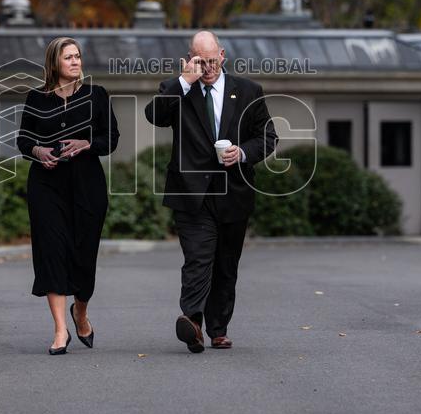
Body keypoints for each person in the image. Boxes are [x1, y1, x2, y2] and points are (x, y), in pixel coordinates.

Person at [144, 31, 278, 352]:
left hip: (234, 192)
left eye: (211, 59)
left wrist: (242, 152)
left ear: (223, 55)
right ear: (190, 59)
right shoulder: (177, 89)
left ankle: (218, 328)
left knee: (225, 263)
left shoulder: (247, 91)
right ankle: (192, 322)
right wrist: (183, 82)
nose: (207, 67)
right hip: (191, 194)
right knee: (198, 258)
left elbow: (268, 136)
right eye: (199, 61)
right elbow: (154, 115)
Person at [16, 37, 119, 354]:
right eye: (68, 58)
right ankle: (60, 331)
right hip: (46, 186)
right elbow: (23, 139)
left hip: (87, 187)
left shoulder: (96, 95)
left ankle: (81, 312)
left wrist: (87, 144)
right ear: (54, 64)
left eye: (78, 57)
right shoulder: (36, 98)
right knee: (52, 253)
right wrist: (37, 150)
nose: (75, 62)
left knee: (83, 256)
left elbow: (111, 138)